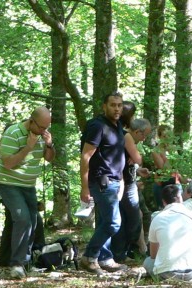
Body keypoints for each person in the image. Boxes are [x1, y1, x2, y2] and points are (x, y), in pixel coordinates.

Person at [0, 107, 55, 278]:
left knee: (33, 220)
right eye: (42, 127)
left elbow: (49, 158)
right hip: (8, 183)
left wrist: (49, 144)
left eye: (46, 127)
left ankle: (24, 261)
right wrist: (28, 147)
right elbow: (8, 163)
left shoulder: (43, 135)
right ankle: (17, 264)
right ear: (31, 121)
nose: (44, 131)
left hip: (28, 185)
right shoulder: (12, 133)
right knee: (23, 218)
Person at [78, 92, 128, 274]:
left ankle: (104, 258)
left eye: (119, 105)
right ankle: (89, 257)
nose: (117, 109)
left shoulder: (117, 125)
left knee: (105, 221)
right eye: (113, 105)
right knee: (113, 223)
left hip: (115, 181)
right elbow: (85, 156)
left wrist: (121, 180)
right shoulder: (97, 126)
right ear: (104, 106)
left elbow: (117, 155)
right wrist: (84, 187)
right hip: (101, 182)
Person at [144, 184, 192, 280]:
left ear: (163, 201)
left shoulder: (157, 218)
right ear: (180, 198)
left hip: (166, 274)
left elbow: (153, 255)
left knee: (147, 261)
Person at [111, 116, 153, 262]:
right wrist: (136, 159)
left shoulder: (125, 136)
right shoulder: (126, 135)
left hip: (129, 182)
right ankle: (126, 251)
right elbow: (139, 158)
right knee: (133, 219)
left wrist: (137, 169)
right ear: (137, 132)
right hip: (125, 185)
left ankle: (126, 251)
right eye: (144, 135)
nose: (143, 139)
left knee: (133, 218)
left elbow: (132, 160)